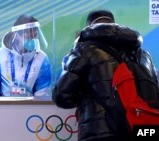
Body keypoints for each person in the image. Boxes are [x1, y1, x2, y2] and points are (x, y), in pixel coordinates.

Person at [52, 10, 158, 141]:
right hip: (138, 129)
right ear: (114, 25)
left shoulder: (83, 50)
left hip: (98, 131)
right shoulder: (143, 55)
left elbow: (61, 97)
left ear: (89, 26)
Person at [0, 15, 51, 96]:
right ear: (16, 34)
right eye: (28, 35)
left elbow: (43, 93)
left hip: (30, 107)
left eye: (35, 35)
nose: (32, 39)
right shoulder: (1, 55)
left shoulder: (42, 58)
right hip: (3, 106)